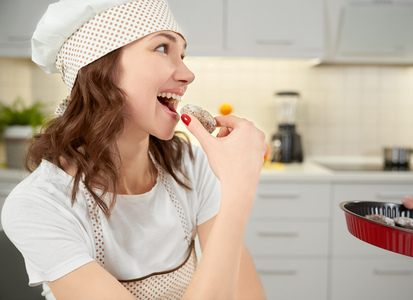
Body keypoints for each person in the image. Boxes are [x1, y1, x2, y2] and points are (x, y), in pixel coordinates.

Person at [0, 0, 267, 299]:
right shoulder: (37, 205)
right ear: (101, 66)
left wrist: (234, 187)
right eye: (163, 48)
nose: (188, 74)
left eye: (183, 54)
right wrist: (238, 192)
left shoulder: (190, 165)